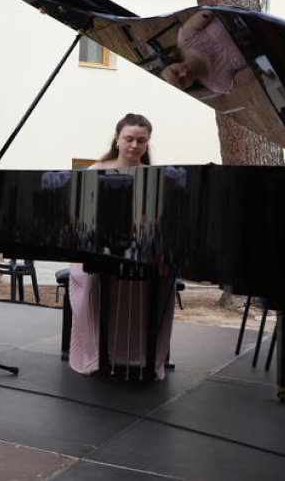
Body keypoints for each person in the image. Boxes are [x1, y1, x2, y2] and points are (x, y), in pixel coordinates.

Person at [68, 113, 174, 380]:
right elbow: (82, 218)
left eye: (141, 140)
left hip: (144, 252)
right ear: (117, 139)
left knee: (164, 280)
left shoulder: (155, 176)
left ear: (147, 143)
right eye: (129, 139)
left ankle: (147, 359)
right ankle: (97, 357)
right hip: (97, 251)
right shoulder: (97, 170)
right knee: (91, 279)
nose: (135, 145)